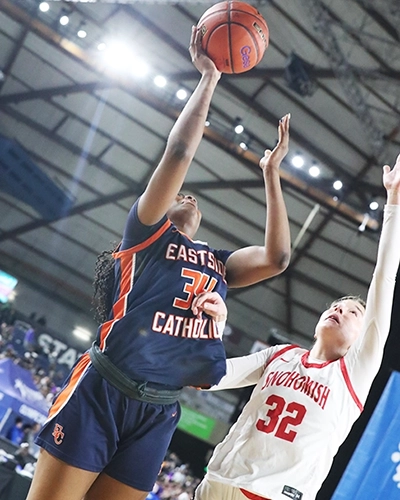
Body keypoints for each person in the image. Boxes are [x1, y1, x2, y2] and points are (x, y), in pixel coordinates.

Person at [26, 26, 291, 500]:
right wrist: (209, 78)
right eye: (179, 194)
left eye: (193, 197)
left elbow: (277, 258)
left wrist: (271, 174)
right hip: (106, 387)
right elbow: (180, 151)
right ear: (159, 206)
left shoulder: (217, 262)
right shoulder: (145, 234)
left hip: (159, 410)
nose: (188, 197)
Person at [192, 154, 400, 500]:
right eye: (336, 306)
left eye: (352, 313)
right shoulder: (281, 355)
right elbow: (211, 375)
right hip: (216, 483)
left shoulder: (353, 374)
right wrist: (217, 325)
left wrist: (393, 202)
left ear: (362, 339)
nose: (339, 310)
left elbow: (384, 277)